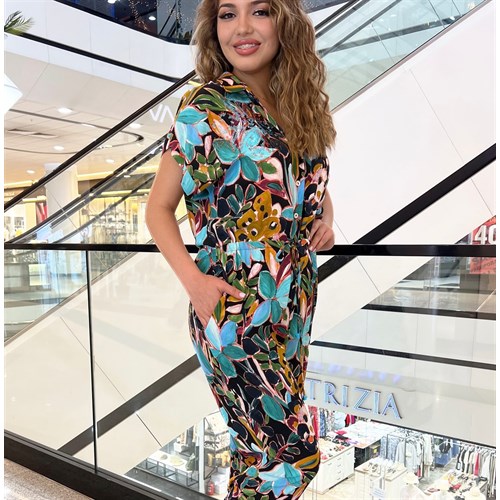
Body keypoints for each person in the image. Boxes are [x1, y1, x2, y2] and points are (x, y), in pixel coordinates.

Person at [146, 0, 336, 497]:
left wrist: (326, 219)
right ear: (215, 29)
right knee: (294, 456)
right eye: (228, 14)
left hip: (293, 303)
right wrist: (195, 284)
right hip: (234, 307)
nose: (243, 28)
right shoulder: (206, 106)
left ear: (285, 22)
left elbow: (308, 181)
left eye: (260, 11)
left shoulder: (299, 103)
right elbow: (158, 209)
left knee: (256, 457)